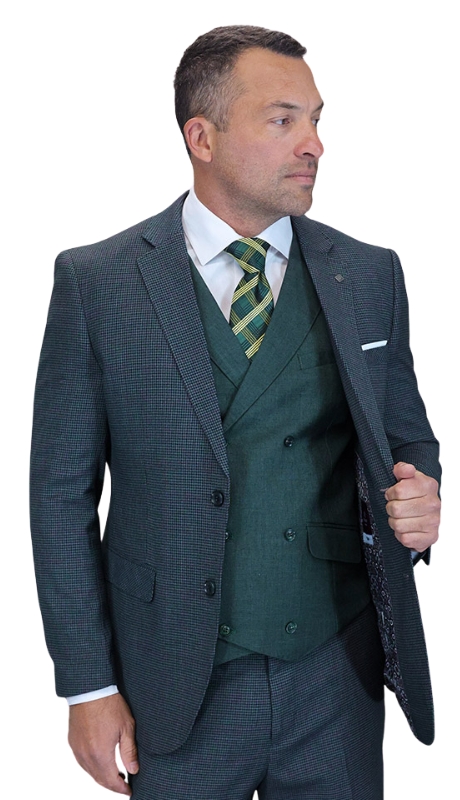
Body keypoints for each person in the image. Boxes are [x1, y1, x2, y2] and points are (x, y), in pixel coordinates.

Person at [30, 24, 441, 800]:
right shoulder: (99, 283)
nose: (314, 144)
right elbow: (59, 499)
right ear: (202, 137)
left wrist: (422, 494)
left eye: (316, 119)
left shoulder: (368, 273)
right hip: (172, 684)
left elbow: (407, 437)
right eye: (283, 120)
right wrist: (87, 684)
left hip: (336, 677)